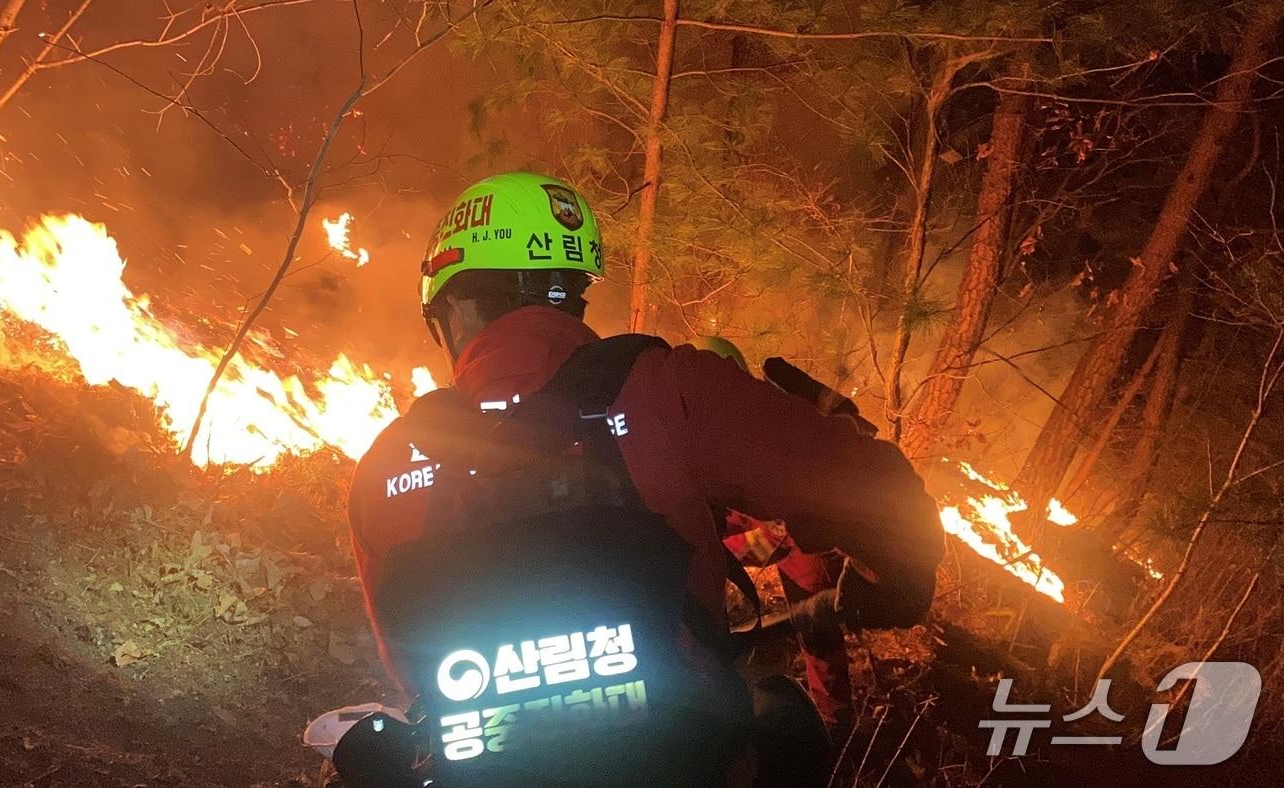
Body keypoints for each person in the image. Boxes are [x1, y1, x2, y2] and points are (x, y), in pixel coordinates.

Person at [342, 172, 942, 786]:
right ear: (570, 293)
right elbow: (875, 493)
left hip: (484, 772)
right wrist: (898, 573)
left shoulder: (385, 465)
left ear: (455, 309)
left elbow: (409, 664)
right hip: (675, 762)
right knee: (786, 728)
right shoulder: (663, 387)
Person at [688, 336, 855, 737]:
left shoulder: (770, 422)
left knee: (816, 625)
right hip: (761, 517)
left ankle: (835, 726)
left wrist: (715, 554)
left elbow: (781, 527)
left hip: (799, 530)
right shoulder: (702, 420)